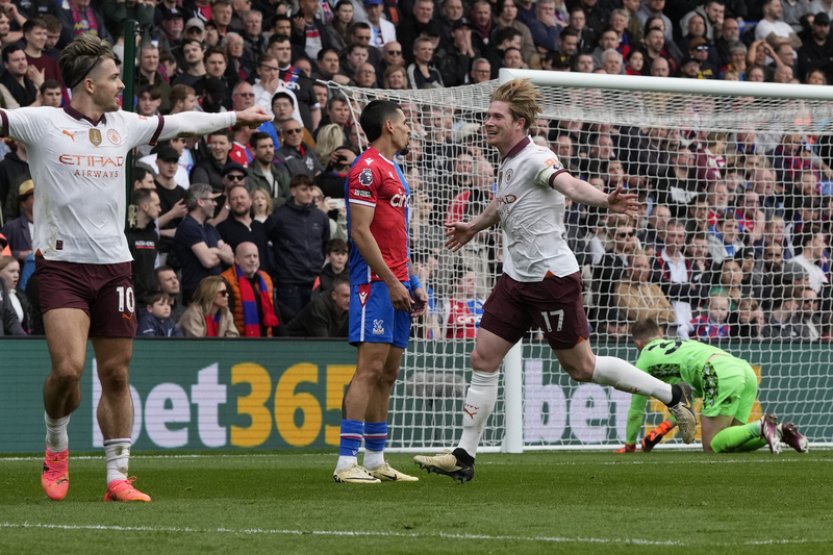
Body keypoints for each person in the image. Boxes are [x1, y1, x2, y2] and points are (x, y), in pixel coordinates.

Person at [0, 33, 268, 502]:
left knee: (117, 375)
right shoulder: (40, 123)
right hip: (62, 265)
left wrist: (235, 116)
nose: (121, 84)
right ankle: (56, 444)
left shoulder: (123, 125)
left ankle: (117, 477)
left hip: (115, 268)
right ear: (87, 84)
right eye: (113, 77)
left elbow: (182, 120)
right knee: (67, 370)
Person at [414, 79, 696, 483]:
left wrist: (604, 200)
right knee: (483, 358)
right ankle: (464, 455)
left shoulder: (536, 156)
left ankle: (670, 394)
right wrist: (474, 226)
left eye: (497, 116)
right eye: (488, 114)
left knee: (581, 368)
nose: (488, 121)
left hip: (550, 279)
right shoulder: (508, 161)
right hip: (516, 279)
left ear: (520, 122)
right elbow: (503, 201)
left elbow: (567, 183)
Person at [332, 99, 428, 484]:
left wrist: (412, 282)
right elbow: (360, 232)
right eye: (405, 123)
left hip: (397, 281)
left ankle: (374, 459)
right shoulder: (366, 170)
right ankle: (345, 463)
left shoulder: (393, 169)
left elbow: (394, 235)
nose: (409, 130)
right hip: (374, 284)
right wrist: (390, 281)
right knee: (368, 370)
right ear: (389, 126)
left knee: (388, 373)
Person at [621, 318, 809, 454]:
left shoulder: (645, 360)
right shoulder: (681, 345)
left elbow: (636, 409)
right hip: (742, 369)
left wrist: (630, 444)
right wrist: (661, 429)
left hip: (716, 372)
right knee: (733, 442)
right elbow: (686, 401)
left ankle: (760, 426)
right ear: (660, 334)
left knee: (711, 446)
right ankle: (780, 431)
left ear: (638, 344)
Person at [174, 183, 235, 305]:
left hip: (216, 290)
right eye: (212, 200)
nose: (215, 203)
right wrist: (220, 252)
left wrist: (215, 252)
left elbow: (231, 259)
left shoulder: (210, 228)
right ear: (200, 202)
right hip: (197, 293)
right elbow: (208, 261)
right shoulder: (188, 227)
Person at [220, 241, 281, 337]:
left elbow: (274, 312)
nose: (253, 260)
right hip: (239, 341)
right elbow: (225, 318)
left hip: (267, 340)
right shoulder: (226, 280)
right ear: (237, 260)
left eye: (255, 256)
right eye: (248, 256)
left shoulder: (266, 278)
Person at [286, 275, 350, 337]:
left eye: (352, 296)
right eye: (345, 296)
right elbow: (323, 343)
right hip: (294, 342)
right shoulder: (319, 306)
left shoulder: (351, 307)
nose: (349, 300)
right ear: (334, 295)